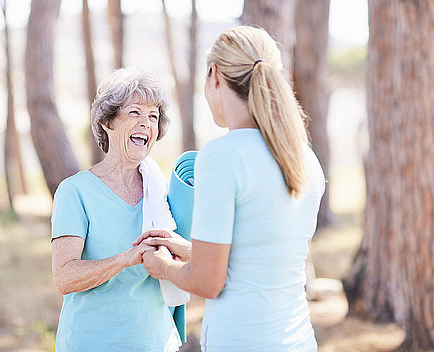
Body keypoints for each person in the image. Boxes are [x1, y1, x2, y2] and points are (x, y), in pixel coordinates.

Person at [134, 26, 325, 351]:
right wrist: (194, 250)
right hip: (299, 341)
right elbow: (268, 261)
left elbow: (208, 282)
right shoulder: (304, 159)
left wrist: (163, 267)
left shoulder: (222, 156)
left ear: (214, 75)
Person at [50, 67, 181, 351]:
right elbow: (64, 277)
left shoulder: (162, 192)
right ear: (108, 121)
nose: (146, 123)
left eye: (153, 116)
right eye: (135, 112)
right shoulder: (75, 191)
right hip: (92, 342)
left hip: (156, 342)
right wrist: (125, 258)